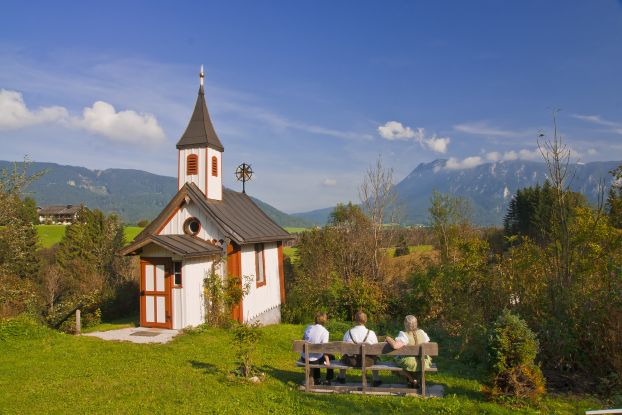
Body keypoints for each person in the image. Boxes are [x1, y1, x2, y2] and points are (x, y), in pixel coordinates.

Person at [337, 310, 382, 387]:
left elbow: (343, 349)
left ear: (355, 320)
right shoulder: (371, 333)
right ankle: (376, 379)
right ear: (366, 320)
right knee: (375, 356)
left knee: (344, 356)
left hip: (352, 361)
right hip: (368, 362)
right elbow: (376, 349)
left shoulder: (348, 332)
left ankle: (341, 377)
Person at [385, 315, 432, 388]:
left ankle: (411, 379)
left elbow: (395, 346)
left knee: (395, 362)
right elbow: (427, 345)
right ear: (416, 323)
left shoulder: (404, 335)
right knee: (414, 364)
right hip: (424, 361)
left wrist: (388, 338)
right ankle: (416, 379)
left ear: (405, 323)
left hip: (410, 362)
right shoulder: (422, 332)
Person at [301, 312, 333, 385]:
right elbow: (324, 348)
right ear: (325, 321)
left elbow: (302, 341)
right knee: (329, 357)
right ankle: (329, 379)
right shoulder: (325, 332)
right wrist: (327, 361)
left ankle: (317, 378)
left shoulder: (308, 327)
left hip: (304, 357)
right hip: (315, 359)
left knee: (317, 355)